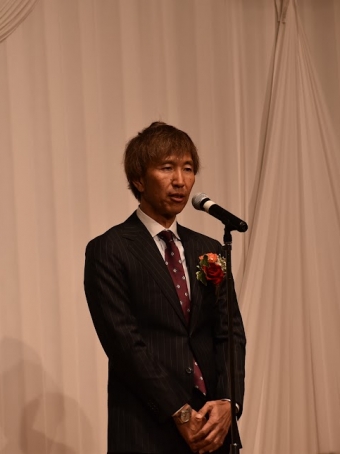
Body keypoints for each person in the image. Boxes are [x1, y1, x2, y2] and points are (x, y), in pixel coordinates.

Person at [84, 121, 246, 454]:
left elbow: (230, 333)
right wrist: (179, 411)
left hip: (213, 427)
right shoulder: (110, 249)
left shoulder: (208, 248)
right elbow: (124, 343)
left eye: (188, 168)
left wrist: (228, 402)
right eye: (167, 167)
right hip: (147, 426)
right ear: (139, 179)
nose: (180, 180)